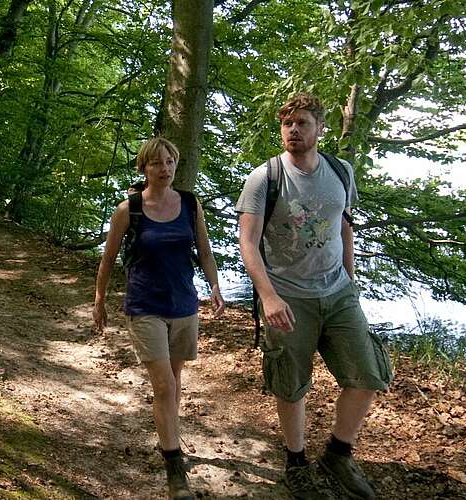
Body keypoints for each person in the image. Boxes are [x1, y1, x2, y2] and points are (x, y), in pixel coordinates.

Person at [234, 93, 392, 500]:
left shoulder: (341, 172)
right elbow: (247, 244)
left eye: (302, 123)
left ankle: (338, 455)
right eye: (287, 124)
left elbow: (344, 227)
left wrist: (351, 282)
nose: (293, 130)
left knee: (368, 374)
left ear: (321, 129)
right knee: (290, 384)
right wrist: (268, 296)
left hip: (339, 292)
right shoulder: (264, 178)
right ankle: (296, 462)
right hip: (287, 295)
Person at [93, 137, 225, 500]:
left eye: (169, 162)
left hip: (183, 305)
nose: (164, 168)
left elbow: (206, 252)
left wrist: (214, 286)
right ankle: (174, 467)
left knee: (175, 382)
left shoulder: (190, 204)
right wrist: (100, 299)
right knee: (165, 385)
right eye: (156, 163)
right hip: (145, 305)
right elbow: (107, 259)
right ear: (144, 168)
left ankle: (170, 437)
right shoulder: (128, 209)